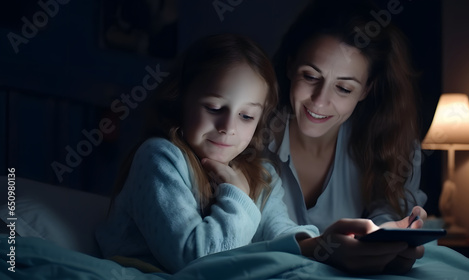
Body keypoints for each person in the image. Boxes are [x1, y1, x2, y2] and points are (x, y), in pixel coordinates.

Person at [95, 33, 321, 274]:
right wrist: (237, 197)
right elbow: (195, 259)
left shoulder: (262, 174)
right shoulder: (157, 158)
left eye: (246, 116)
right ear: (181, 100)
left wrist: (317, 245)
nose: (228, 127)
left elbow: (278, 230)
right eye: (214, 108)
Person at [269, 0, 428, 273]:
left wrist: (392, 235)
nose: (320, 101)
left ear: (366, 90)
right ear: (289, 66)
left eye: (343, 88)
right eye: (310, 76)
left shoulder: (387, 142)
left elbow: (388, 210)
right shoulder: (246, 133)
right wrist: (318, 249)